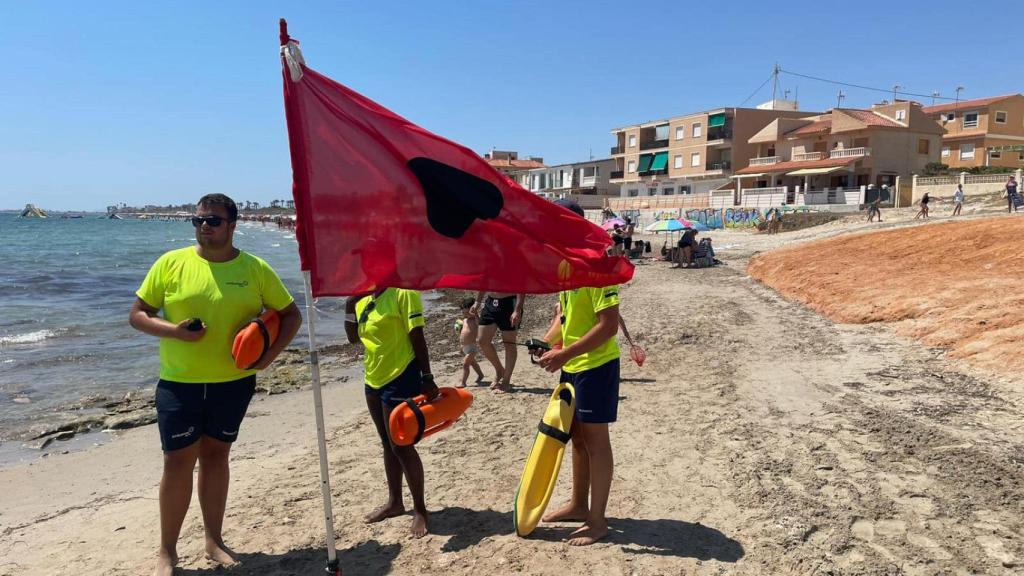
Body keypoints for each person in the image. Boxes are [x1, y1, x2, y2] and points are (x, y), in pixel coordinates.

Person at [129, 194, 302, 576]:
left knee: (215, 457)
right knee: (176, 463)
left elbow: (290, 315)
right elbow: (138, 315)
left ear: (232, 224)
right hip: (179, 383)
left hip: (233, 383)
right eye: (198, 220)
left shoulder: (255, 269)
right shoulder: (170, 263)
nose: (204, 226)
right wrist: (174, 331)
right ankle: (167, 552)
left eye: (213, 220)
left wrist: (268, 358)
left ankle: (213, 541)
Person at [533, 200, 621, 547]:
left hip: (596, 367)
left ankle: (598, 522)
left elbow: (609, 326)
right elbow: (565, 317)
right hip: (573, 366)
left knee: (597, 444)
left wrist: (564, 353)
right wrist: (546, 341)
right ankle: (578, 505)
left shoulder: (597, 263)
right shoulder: (566, 264)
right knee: (578, 440)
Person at [344, 287, 437, 538]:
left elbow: (417, 336)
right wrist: (349, 306)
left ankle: (421, 510)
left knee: (401, 445)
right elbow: (354, 338)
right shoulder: (362, 299)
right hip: (373, 379)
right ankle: (395, 502)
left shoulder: (403, 293)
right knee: (386, 442)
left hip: (401, 375)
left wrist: (427, 376)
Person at [471, 291, 525, 392]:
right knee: (483, 340)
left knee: (509, 343)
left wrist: (517, 309)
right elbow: (485, 279)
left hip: (509, 303)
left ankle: (506, 380)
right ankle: (499, 370)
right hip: (491, 302)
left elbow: (521, 285)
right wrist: (477, 301)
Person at [457, 297, 484, 388]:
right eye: (463, 312)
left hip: (472, 348)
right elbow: (462, 334)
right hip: (464, 346)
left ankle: (463, 382)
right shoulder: (464, 320)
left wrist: (475, 314)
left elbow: (479, 323)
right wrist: (461, 346)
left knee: (465, 365)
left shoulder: (475, 320)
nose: (465, 314)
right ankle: (480, 374)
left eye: (467, 312)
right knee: (473, 363)